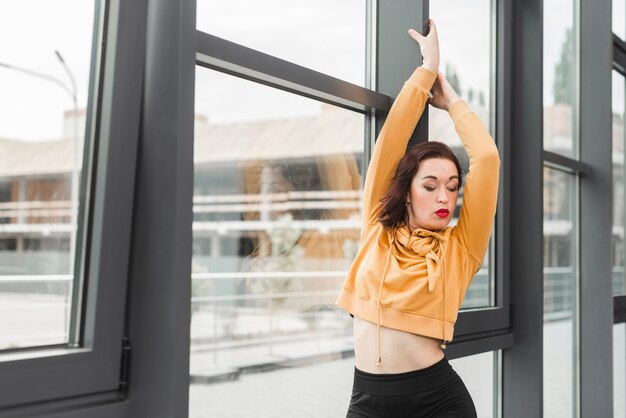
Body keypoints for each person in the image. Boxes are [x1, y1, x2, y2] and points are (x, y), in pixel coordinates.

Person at [336, 19, 500, 418]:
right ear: (407, 191)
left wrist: (454, 104)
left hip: (438, 402)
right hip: (367, 401)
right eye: (430, 186)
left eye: (452, 185)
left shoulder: (461, 248)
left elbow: (488, 159)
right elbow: (391, 139)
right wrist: (427, 72)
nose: (444, 196)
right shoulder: (377, 226)